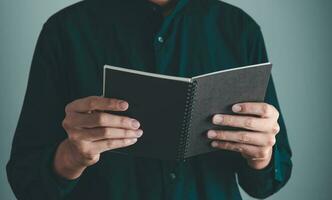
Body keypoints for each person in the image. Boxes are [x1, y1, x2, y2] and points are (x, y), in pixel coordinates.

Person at [7, 0, 292, 199]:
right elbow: (27, 183)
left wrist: (262, 156)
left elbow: (268, 183)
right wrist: (70, 157)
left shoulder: (240, 30)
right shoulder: (64, 31)